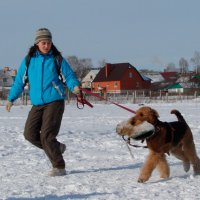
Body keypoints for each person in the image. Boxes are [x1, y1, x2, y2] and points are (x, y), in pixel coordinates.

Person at [5, 28, 80, 176]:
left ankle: (59, 166)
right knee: (29, 134)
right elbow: (19, 81)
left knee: (47, 135)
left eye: (49, 42)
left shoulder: (56, 58)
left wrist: (74, 86)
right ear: (37, 43)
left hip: (55, 100)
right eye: (43, 43)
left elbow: (69, 75)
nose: (47, 45)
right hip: (37, 103)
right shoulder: (28, 60)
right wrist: (10, 99)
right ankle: (56, 147)